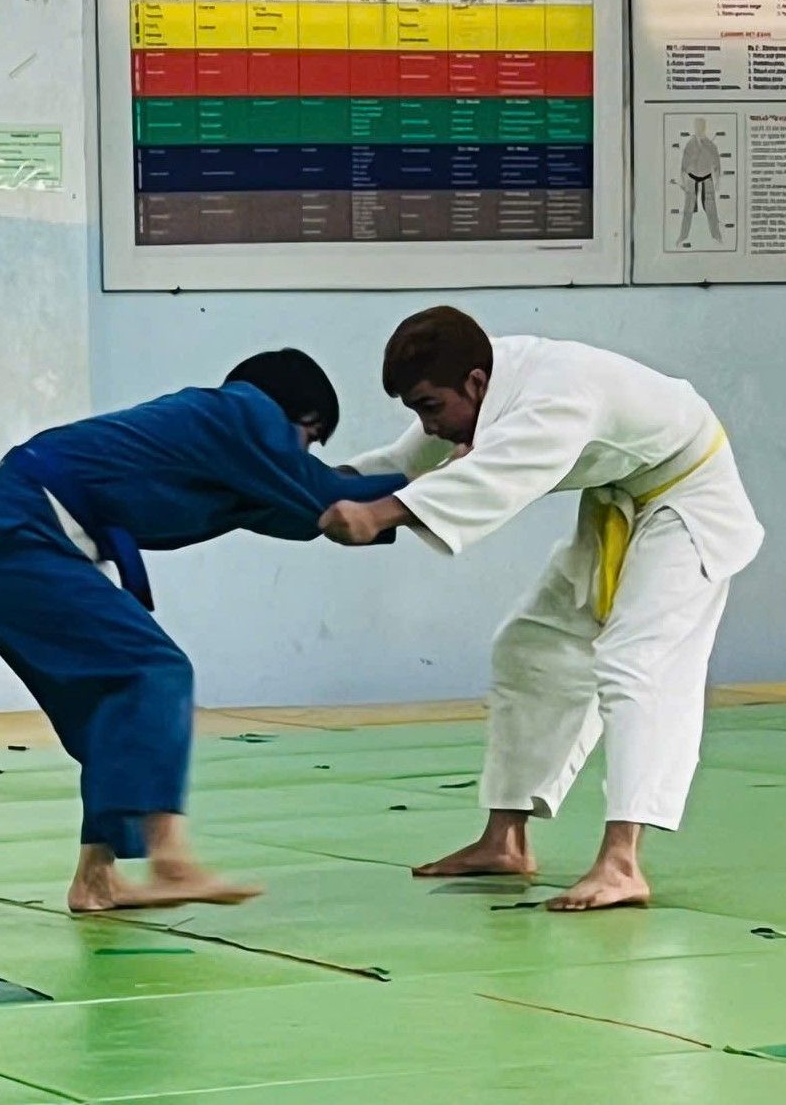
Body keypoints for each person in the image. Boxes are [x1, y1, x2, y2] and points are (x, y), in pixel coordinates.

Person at [322, 307, 763, 911]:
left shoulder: (556, 400)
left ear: (474, 383)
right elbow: (404, 463)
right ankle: (505, 841)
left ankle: (622, 864)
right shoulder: (480, 374)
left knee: (637, 663)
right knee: (530, 645)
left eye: (430, 407)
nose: (429, 424)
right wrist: (309, 485)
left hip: (689, 499)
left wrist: (379, 514)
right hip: (621, 497)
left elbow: (489, 478)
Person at [0, 349, 406, 913]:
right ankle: (171, 860)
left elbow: (311, 511)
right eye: (309, 438)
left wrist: (415, 499)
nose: (302, 453)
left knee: (109, 708)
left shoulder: (222, 453)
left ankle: (96, 878)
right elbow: (319, 486)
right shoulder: (244, 412)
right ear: (297, 415)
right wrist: (435, 481)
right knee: (155, 669)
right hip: (17, 538)